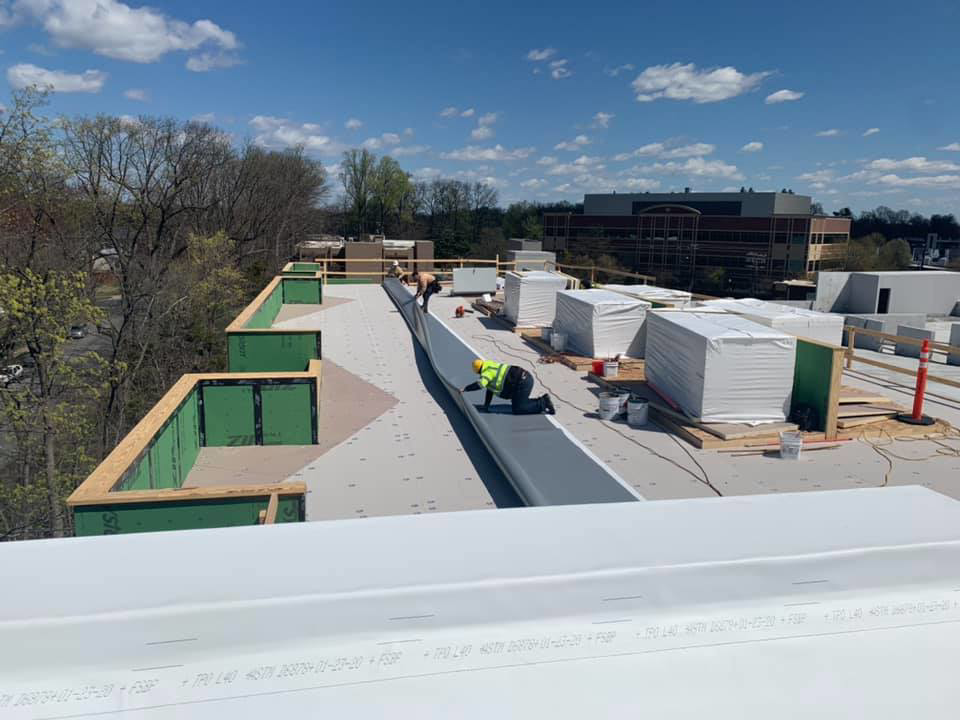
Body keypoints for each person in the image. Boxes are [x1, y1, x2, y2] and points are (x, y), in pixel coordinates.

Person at [462, 358, 556, 415]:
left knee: (518, 409)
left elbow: (480, 385)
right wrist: (486, 406)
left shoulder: (487, 373)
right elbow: (489, 389)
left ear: (478, 371)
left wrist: (465, 389)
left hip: (522, 382)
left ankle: (543, 403)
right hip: (524, 378)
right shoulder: (490, 365)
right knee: (519, 403)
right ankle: (542, 400)